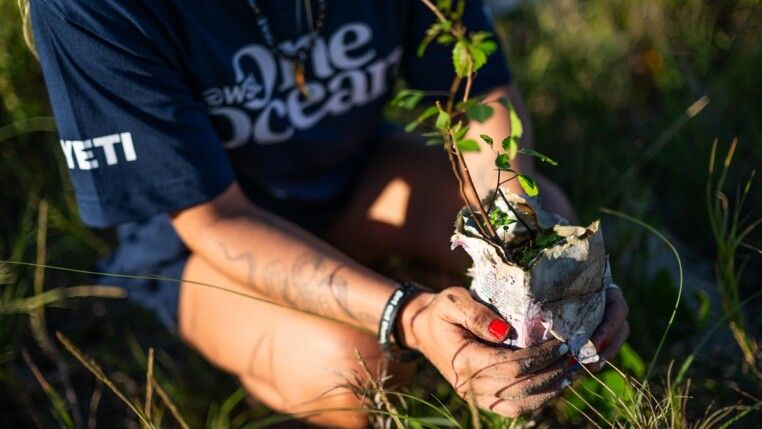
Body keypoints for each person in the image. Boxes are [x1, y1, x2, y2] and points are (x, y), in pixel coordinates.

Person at [28, 0, 629, 427]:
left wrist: (536, 266)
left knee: (547, 217)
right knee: (358, 374)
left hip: (353, 174)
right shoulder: (90, 7)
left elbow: (476, 94)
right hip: (197, 237)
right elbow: (215, 220)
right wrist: (411, 315)